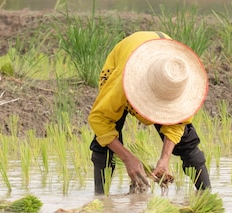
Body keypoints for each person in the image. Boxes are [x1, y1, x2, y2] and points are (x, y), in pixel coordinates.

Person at [88, 31, 211, 195]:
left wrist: (164, 160)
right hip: (126, 65)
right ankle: (101, 198)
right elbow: (99, 120)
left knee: (186, 141)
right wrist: (128, 158)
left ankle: (207, 195)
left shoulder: (178, 79)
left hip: (163, 65)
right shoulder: (123, 80)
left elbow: (176, 127)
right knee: (105, 143)